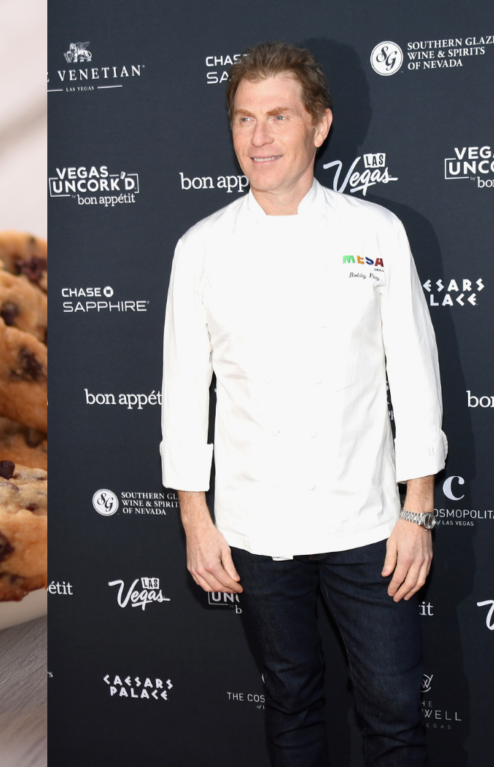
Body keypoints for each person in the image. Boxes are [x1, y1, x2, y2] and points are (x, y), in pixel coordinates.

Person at [159, 41, 445, 767]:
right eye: (245, 118)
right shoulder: (200, 248)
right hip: (258, 528)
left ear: (318, 126)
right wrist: (196, 517)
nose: (259, 137)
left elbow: (413, 373)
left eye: (278, 116)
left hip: (371, 524)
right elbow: (186, 388)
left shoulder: (376, 234)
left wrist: (417, 509)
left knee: (395, 712)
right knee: (289, 701)